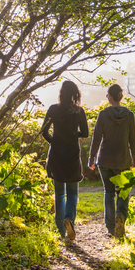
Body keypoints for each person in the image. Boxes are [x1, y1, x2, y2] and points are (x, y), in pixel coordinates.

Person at [41, 81, 88, 241]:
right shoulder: (79, 111)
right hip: (72, 155)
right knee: (73, 192)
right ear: (75, 94)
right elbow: (86, 133)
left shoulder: (53, 109)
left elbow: (44, 131)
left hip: (56, 155)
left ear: (61, 93)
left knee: (59, 193)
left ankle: (61, 230)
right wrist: (74, 134)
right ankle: (69, 218)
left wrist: (54, 141)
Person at [88, 84, 135, 238]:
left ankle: (110, 228)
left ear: (109, 96)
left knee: (109, 193)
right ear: (121, 97)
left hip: (105, 159)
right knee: (122, 192)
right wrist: (133, 160)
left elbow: (96, 138)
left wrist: (91, 157)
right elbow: (133, 140)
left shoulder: (103, 114)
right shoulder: (129, 115)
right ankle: (120, 217)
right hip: (123, 160)